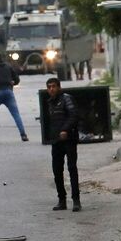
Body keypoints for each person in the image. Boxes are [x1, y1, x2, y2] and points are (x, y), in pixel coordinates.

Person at [46, 77, 81, 212]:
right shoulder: (50, 102)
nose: (51, 89)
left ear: (59, 87)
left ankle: (76, 201)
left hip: (69, 140)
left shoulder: (66, 99)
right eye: (49, 87)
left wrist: (65, 130)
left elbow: (74, 115)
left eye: (54, 86)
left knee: (72, 169)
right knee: (57, 171)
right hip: (56, 142)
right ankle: (62, 200)